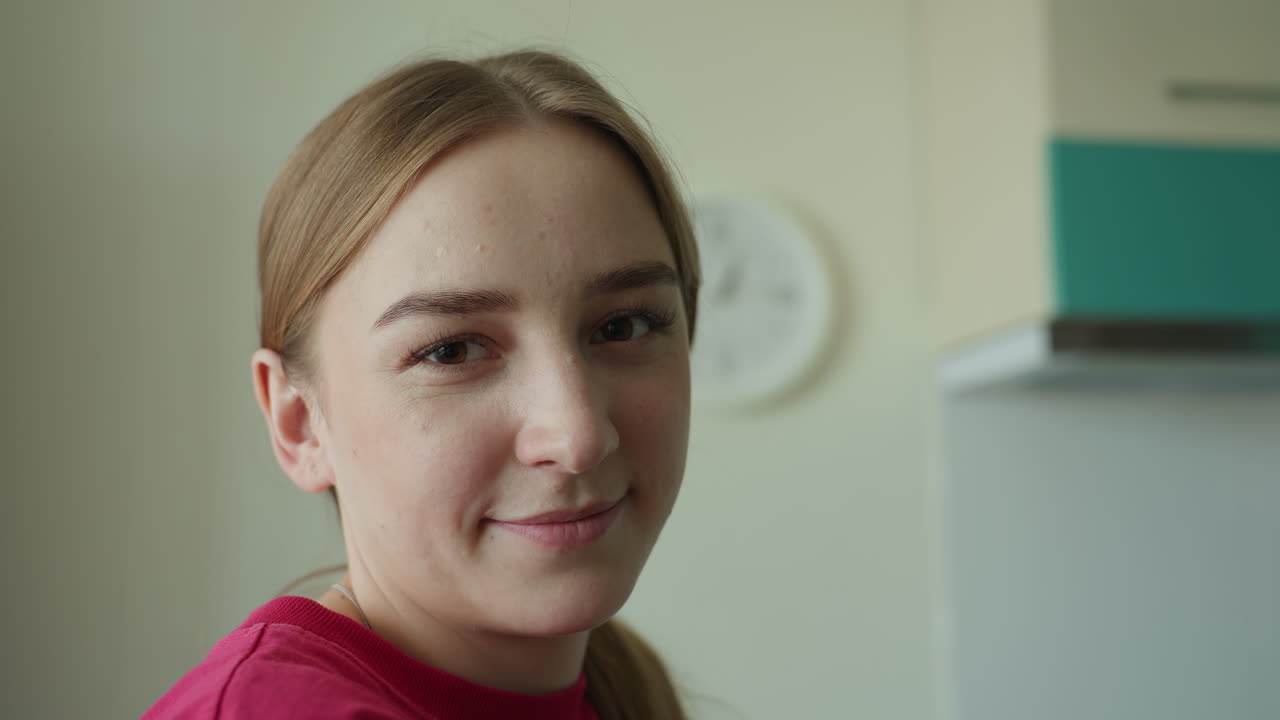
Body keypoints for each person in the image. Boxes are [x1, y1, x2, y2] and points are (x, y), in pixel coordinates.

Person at [142, 49, 700, 720]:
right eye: (453, 349)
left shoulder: (616, 693)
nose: (578, 434)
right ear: (298, 421)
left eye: (624, 326)